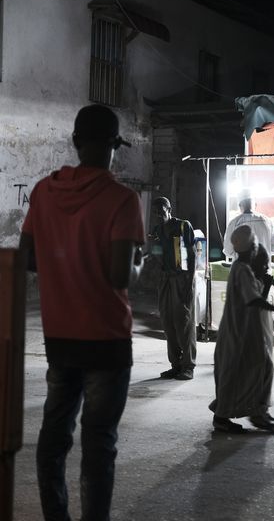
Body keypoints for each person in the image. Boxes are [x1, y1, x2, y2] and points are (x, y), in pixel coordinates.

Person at [19, 104, 145, 521]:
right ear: (114, 146)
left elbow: (27, 258)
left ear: (75, 141)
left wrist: (65, 263)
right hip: (107, 341)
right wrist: (140, 263)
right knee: (99, 444)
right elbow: (120, 276)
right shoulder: (122, 199)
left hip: (60, 338)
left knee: (53, 438)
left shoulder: (43, 192)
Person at [210, 225, 274, 433]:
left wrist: (267, 281)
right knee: (235, 373)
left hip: (245, 332)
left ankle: (259, 412)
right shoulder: (242, 270)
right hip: (238, 332)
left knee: (258, 369)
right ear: (252, 248)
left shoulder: (245, 269)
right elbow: (254, 301)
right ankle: (225, 417)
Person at [150, 196, 196, 380]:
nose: (158, 215)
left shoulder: (183, 226)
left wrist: (189, 284)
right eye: (155, 212)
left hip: (182, 279)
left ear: (169, 210)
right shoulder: (156, 231)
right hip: (165, 280)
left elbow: (192, 256)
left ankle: (188, 366)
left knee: (184, 322)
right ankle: (176, 365)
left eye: (161, 211)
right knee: (168, 323)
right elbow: (155, 254)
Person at [223, 189, 274, 261]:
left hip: (242, 267)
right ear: (255, 205)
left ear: (240, 205)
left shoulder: (233, 223)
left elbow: (228, 251)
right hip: (263, 267)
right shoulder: (267, 221)